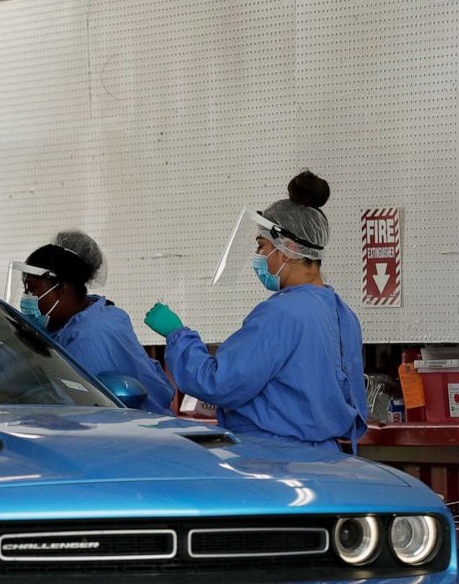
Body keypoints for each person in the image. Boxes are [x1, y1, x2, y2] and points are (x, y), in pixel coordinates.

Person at [143, 171, 368, 451]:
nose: (259, 257)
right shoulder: (341, 313)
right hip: (326, 457)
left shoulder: (282, 314)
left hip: (274, 460)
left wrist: (177, 335)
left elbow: (219, 383)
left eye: (262, 247)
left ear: (287, 249)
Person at [16, 231, 176, 415]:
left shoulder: (91, 335)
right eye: (25, 289)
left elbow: (67, 403)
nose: (26, 298)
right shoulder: (68, 322)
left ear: (61, 290)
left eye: (32, 289)